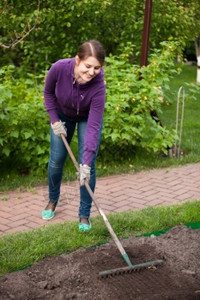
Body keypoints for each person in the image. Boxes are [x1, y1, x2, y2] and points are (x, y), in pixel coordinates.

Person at [41, 40, 106, 232]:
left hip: (87, 118)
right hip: (62, 116)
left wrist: (85, 164)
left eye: (97, 68)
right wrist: (54, 120)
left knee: (89, 167)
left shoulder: (98, 87)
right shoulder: (60, 68)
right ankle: (53, 200)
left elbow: (94, 127)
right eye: (88, 66)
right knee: (56, 160)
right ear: (78, 60)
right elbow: (48, 93)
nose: (92, 72)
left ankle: (84, 214)